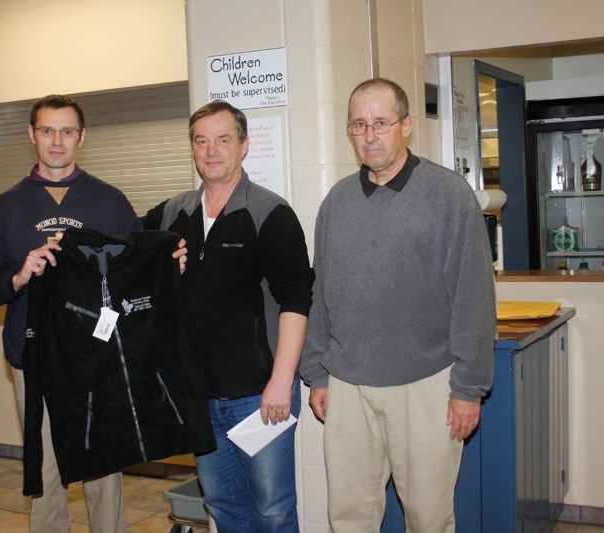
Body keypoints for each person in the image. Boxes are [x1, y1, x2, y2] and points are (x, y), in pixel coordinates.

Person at [299, 78, 497, 532]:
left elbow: (474, 297)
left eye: (381, 123)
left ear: (406, 125)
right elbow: (321, 294)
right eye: (359, 124)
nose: (370, 135)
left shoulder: (448, 196)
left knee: (428, 517)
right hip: (348, 386)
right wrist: (317, 372)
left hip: (425, 385)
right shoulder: (337, 202)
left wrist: (468, 388)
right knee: (349, 518)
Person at [141, 100, 314, 532]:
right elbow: (127, 263)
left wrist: (281, 380)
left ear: (244, 145)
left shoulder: (270, 213)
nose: (211, 150)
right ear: (193, 148)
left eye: (223, 139)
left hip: (257, 395)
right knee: (222, 505)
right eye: (202, 141)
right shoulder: (170, 214)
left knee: (272, 510)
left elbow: (296, 300)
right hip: (197, 393)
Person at [0, 94, 139, 533]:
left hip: (98, 359)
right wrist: (18, 277)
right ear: (32, 135)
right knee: (46, 473)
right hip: (37, 360)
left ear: (81, 138)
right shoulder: (6, 208)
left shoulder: (109, 202)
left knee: (104, 470)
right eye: (48, 130)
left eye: (67, 131)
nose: (57, 141)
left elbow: (136, 277)